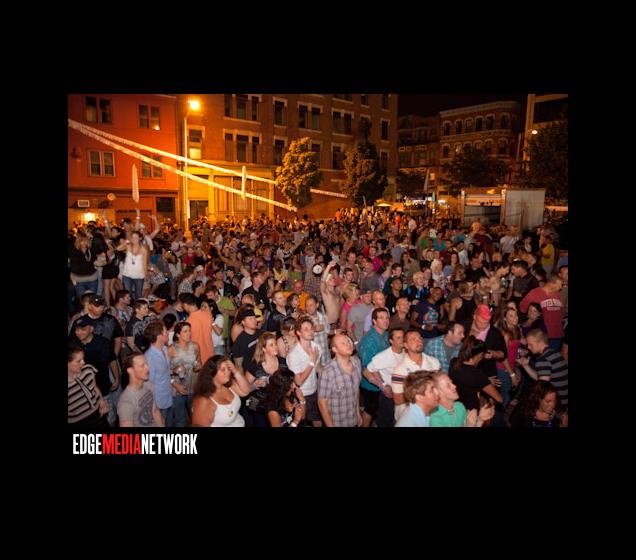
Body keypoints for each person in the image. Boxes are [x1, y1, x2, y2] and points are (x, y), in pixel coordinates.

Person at [72, 316, 121, 426]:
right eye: (77, 329)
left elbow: (112, 360)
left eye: (83, 329)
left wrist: (117, 378)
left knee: (109, 417)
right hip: (83, 391)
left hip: (102, 386)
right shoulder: (72, 345)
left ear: (91, 329)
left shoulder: (103, 343)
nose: (79, 332)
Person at [391, 329, 442, 421]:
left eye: (420, 338)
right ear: (406, 345)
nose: (419, 341)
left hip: (431, 415)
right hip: (408, 417)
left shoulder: (434, 363)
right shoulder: (400, 369)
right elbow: (398, 399)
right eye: (413, 339)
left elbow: (439, 387)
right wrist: (424, 396)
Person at [191, 355, 251, 427]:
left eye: (228, 368)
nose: (228, 372)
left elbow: (246, 391)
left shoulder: (228, 384)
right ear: (212, 373)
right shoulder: (204, 401)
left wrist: (235, 371)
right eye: (223, 370)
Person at [317, 332, 363, 427]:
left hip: (353, 420)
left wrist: (358, 413)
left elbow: (356, 390)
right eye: (343, 343)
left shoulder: (357, 363)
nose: (348, 344)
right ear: (335, 349)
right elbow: (322, 403)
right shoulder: (327, 372)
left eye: (348, 341)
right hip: (337, 423)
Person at [517, 328, 568, 411]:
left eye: (530, 344)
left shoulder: (543, 359)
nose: (528, 347)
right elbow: (541, 378)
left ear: (540, 343)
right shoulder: (555, 353)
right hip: (564, 400)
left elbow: (542, 388)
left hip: (557, 403)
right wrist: (526, 366)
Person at [449, 335, 502, 414]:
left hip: (454, 406)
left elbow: (465, 379)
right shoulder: (477, 374)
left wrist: (484, 381)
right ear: (480, 355)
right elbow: (499, 399)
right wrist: (485, 382)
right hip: (470, 411)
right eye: (482, 356)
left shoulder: (454, 362)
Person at [364, 327, 406, 427]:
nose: (402, 340)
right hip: (389, 397)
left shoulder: (406, 351)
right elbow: (366, 372)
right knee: (386, 423)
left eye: (403, 337)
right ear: (391, 341)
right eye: (398, 338)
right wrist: (382, 386)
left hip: (403, 394)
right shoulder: (383, 356)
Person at [286, 316, 323, 427]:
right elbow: (298, 381)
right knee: (300, 421)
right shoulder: (294, 354)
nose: (310, 331)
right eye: (306, 329)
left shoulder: (316, 347)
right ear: (298, 333)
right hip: (301, 394)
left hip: (315, 390)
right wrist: (312, 361)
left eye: (311, 328)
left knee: (318, 420)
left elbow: (318, 367)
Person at [357, 307, 391, 427]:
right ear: (374, 321)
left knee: (379, 410)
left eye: (387, 318)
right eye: (381, 318)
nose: (385, 321)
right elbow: (368, 368)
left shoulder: (386, 334)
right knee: (370, 411)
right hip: (372, 384)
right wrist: (382, 385)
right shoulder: (368, 341)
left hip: (384, 379)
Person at [243, 332, 286, 427]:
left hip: (278, 405)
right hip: (260, 408)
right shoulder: (255, 365)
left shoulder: (283, 362)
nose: (275, 347)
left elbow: (288, 383)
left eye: (275, 343)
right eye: (271, 345)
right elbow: (244, 389)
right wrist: (254, 386)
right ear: (264, 349)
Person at [429, 373, 494, 427]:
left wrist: (480, 420)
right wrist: (469, 425)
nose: (454, 386)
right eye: (448, 385)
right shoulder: (436, 418)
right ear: (437, 393)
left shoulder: (459, 406)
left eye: (452, 382)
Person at [167, 321, 201, 427]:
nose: (189, 333)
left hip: (193, 387)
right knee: (180, 420)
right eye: (185, 331)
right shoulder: (171, 349)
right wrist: (175, 384)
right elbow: (165, 371)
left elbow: (199, 363)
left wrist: (198, 367)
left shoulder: (195, 346)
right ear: (178, 334)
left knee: (195, 417)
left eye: (190, 330)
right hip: (178, 389)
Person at [117, 352, 165, 427]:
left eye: (147, 364)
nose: (148, 368)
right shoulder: (126, 402)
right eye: (142, 366)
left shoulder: (148, 384)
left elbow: (155, 411)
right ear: (130, 370)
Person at [68, 345, 110, 428]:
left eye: (83, 359)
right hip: (77, 423)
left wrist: (102, 402)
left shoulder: (88, 370)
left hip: (99, 416)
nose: (83, 362)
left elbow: (95, 387)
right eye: (78, 361)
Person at [520, 275, 564, 352]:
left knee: (553, 357)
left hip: (557, 334)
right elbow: (522, 308)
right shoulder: (535, 293)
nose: (561, 287)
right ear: (551, 283)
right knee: (542, 358)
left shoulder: (557, 294)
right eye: (560, 285)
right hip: (542, 335)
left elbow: (561, 311)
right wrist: (531, 319)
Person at [144, 319, 174, 427]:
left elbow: (164, 371)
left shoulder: (165, 349)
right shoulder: (149, 357)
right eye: (166, 332)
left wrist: (174, 370)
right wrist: (154, 407)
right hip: (159, 403)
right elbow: (148, 384)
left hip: (169, 396)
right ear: (159, 336)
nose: (168, 333)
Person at [180, 293, 215, 364]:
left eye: (182, 306)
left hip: (198, 359)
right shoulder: (208, 314)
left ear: (185, 305)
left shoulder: (188, 323)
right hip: (210, 355)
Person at [117, 230, 148, 302]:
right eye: (132, 238)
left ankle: (139, 308)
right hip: (127, 274)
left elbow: (144, 263)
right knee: (128, 294)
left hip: (139, 274)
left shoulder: (144, 249)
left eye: (136, 238)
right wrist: (126, 241)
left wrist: (146, 275)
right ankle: (129, 307)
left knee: (138, 294)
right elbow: (118, 248)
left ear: (140, 238)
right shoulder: (128, 246)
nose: (134, 239)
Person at [68, 232, 98, 302]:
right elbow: (71, 265)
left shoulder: (90, 249)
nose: (84, 243)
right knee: (83, 301)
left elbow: (94, 260)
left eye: (86, 240)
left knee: (92, 300)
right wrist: (71, 276)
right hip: (79, 280)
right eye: (82, 241)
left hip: (92, 279)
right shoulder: (72, 249)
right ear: (78, 241)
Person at [231, 307, 261, 374]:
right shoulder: (239, 342)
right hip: (249, 374)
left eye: (254, 318)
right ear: (243, 322)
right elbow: (239, 366)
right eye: (250, 319)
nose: (254, 321)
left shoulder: (260, 333)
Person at [305, 296, 330, 365]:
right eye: (306, 306)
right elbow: (302, 336)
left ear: (317, 305)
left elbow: (328, 332)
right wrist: (314, 329)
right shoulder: (304, 319)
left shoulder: (323, 317)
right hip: (313, 355)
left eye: (311, 305)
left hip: (325, 353)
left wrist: (335, 332)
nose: (308, 308)